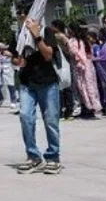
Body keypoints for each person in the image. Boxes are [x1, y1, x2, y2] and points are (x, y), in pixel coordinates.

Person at [12, 16, 64, 175]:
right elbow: (14, 57)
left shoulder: (46, 31)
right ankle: (33, 156)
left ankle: (53, 157)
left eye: (26, 17)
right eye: (21, 18)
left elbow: (48, 55)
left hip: (47, 81)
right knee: (25, 117)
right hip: (27, 82)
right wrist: (17, 61)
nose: (23, 21)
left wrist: (36, 36)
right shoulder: (18, 34)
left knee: (50, 120)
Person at [66, 24, 101, 119]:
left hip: (79, 66)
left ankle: (87, 108)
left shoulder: (72, 41)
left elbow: (73, 53)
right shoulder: (85, 41)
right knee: (91, 86)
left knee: (82, 87)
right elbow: (90, 54)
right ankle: (94, 107)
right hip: (89, 66)